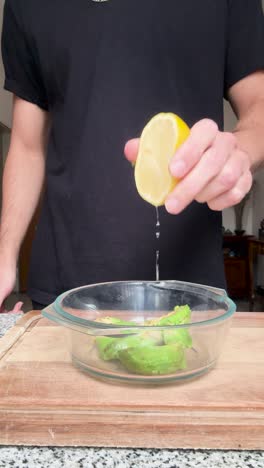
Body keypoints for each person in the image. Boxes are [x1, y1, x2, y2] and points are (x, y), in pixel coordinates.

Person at [0, 0, 263, 311]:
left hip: (189, 289)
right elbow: (27, 147)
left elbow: (258, 105)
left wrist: (240, 151)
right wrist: (4, 256)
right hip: (63, 290)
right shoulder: (26, 5)